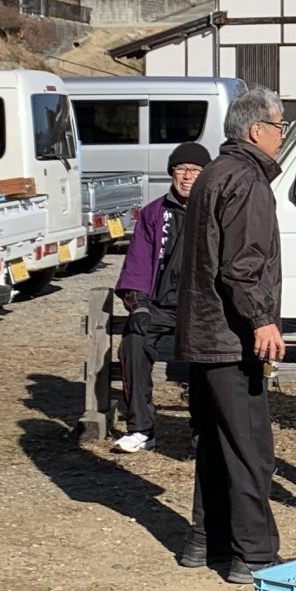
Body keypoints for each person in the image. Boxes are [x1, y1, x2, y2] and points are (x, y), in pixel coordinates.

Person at [175, 85, 289, 581]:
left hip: (205, 332)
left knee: (217, 442)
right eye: (280, 126)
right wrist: (262, 318)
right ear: (257, 130)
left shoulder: (214, 173)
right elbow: (242, 266)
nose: (282, 136)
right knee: (248, 448)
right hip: (230, 333)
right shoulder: (246, 178)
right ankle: (254, 554)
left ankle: (207, 541)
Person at [108, 142, 208, 453]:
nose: (187, 176)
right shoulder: (154, 212)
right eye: (181, 169)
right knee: (133, 343)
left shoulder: (214, 209)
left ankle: (204, 429)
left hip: (203, 307)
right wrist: (138, 305)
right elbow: (137, 262)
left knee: (210, 354)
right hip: (160, 305)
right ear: (171, 173)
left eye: (195, 170)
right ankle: (141, 428)